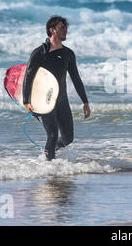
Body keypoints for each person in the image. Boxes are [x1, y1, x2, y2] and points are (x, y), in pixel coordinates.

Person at [23, 15, 91, 161]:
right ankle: (50, 169)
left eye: (66, 28)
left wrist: (85, 101)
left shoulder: (68, 54)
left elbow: (76, 78)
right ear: (52, 30)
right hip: (44, 100)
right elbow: (28, 76)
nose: (65, 31)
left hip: (62, 100)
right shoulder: (39, 53)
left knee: (68, 139)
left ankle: (49, 151)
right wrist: (26, 100)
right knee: (52, 135)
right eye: (61, 28)